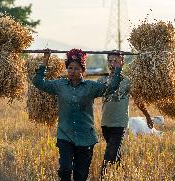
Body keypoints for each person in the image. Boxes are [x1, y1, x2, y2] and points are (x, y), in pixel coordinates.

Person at [32, 48, 123, 181]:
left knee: (80, 175)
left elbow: (112, 87)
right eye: (70, 68)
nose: (72, 72)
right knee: (65, 170)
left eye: (76, 68)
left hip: (85, 137)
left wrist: (117, 67)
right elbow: (38, 82)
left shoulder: (91, 87)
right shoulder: (59, 85)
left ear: (83, 70)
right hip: (65, 135)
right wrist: (45, 61)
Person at [97, 50, 153, 178]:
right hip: (105, 123)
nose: (112, 63)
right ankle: (123, 175)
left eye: (115, 61)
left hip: (120, 123)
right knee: (115, 153)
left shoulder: (127, 81)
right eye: (110, 61)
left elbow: (139, 102)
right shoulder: (102, 80)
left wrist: (148, 116)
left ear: (122, 63)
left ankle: (102, 176)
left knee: (110, 154)